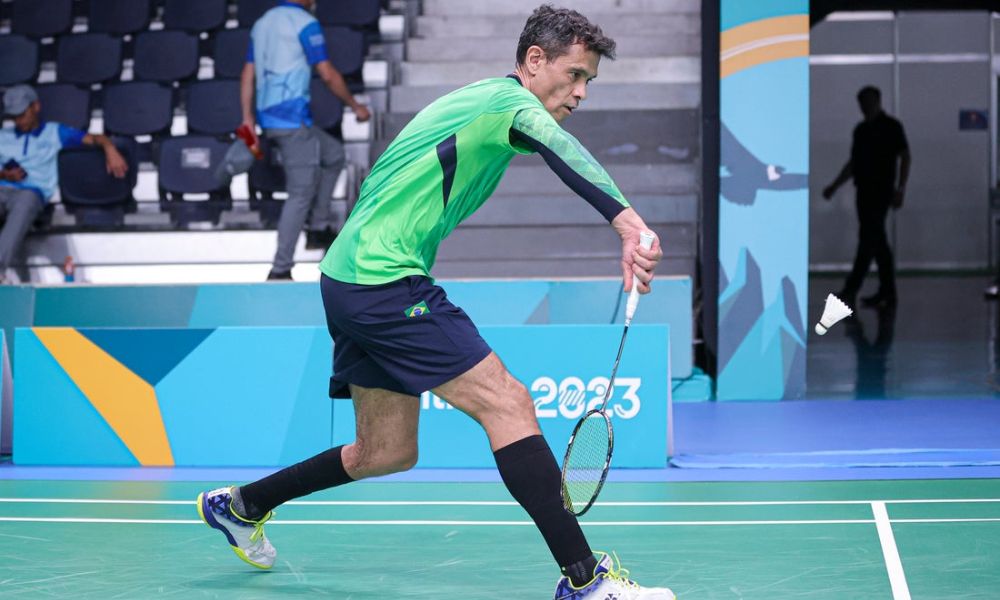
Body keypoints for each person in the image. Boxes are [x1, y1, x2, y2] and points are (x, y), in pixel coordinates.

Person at [198, 5, 672, 599]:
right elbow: (562, 149)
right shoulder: (509, 104)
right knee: (508, 402)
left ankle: (241, 506)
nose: (581, 92)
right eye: (575, 75)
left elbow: (390, 177)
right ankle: (584, 580)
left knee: (386, 451)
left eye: (589, 82)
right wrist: (628, 224)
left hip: (349, 277)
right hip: (384, 280)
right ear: (533, 61)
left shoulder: (482, 108)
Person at [241, 0, 372, 281]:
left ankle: (318, 226)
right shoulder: (303, 23)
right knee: (300, 194)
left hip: (272, 118)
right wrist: (355, 106)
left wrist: (247, 118)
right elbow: (326, 73)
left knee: (334, 154)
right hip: (291, 121)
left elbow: (248, 74)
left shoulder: (263, 22)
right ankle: (280, 268)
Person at [0, 85, 127, 284]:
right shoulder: (3, 136)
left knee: (25, 201)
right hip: (2, 189)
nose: (18, 120)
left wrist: (109, 148)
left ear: (36, 107)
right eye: (14, 116)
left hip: (31, 193)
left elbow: (94, 138)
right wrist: (5, 174)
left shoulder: (54, 132)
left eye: (22, 114)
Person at [823, 86, 911, 310]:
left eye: (869, 102)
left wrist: (900, 189)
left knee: (868, 240)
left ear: (878, 101)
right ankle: (887, 292)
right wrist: (834, 186)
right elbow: (854, 163)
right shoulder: (861, 131)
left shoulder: (891, 127)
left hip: (881, 192)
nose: (865, 106)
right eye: (862, 102)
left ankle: (851, 290)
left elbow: (905, 157)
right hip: (864, 192)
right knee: (877, 243)